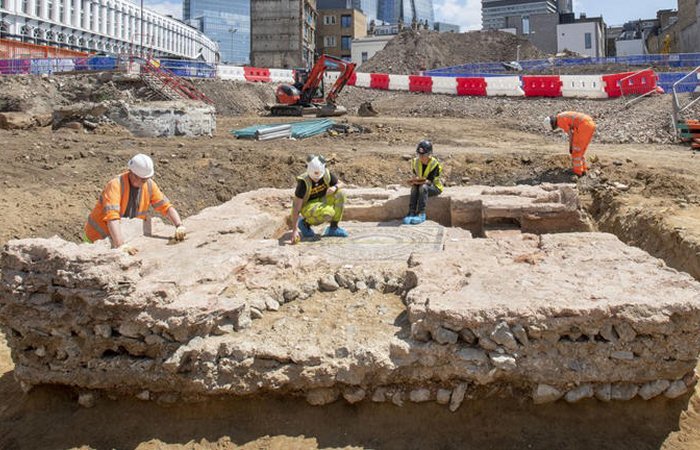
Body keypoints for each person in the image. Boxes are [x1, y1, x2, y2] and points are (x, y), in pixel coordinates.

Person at [84, 153, 186, 252]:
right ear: (132, 173)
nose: (143, 182)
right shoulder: (116, 185)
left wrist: (179, 225)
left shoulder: (149, 185)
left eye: (145, 179)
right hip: (96, 238)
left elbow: (166, 207)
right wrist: (121, 245)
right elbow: (112, 218)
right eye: (141, 179)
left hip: (122, 237)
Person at [290, 155, 348, 244]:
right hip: (308, 206)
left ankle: (333, 228)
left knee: (341, 194)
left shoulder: (326, 174)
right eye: (314, 178)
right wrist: (294, 230)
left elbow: (341, 184)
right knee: (328, 213)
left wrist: (335, 187)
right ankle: (305, 224)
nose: (316, 179)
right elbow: (296, 207)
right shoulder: (303, 183)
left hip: (321, 200)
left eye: (318, 177)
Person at [403, 140, 444, 225]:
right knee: (414, 187)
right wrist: (414, 181)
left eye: (423, 155)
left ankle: (421, 214)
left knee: (423, 187)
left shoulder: (434, 164)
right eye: (419, 154)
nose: (421, 157)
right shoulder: (415, 162)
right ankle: (411, 212)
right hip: (420, 184)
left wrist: (419, 182)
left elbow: (430, 182)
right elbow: (416, 175)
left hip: (434, 187)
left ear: (429, 154)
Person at [544, 112, 596, 176]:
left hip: (583, 126)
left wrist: (571, 147)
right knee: (581, 150)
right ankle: (583, 169)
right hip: (590, 124)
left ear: (553, 125)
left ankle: (578, 172)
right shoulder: (560, 116)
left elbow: (570, 134)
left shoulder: (560, 122)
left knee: (576, 151)